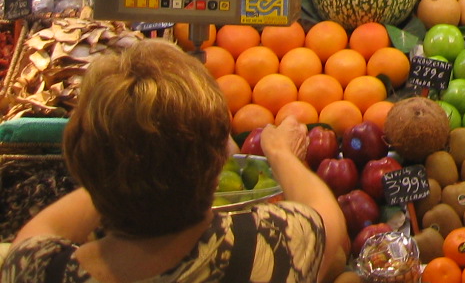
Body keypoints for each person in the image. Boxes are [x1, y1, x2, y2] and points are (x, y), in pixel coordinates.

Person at [2, 40, 348, 283]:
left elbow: (38, 232)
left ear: (82, 162)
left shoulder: (39, 270)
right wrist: (281, 153)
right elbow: (325, 214)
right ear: (216, 168)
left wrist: (116, 164)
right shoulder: (268, 245)